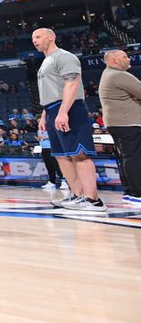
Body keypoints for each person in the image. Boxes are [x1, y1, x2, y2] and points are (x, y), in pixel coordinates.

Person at [32, 28, 106, 211]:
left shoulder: (64, 57)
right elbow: (49, 90)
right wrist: (45, 114)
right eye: (33, 38)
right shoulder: (45, 62)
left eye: (38, 36)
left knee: (79, 154)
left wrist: (63, 111)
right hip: (51, 109)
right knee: (62, 156)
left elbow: (72, 83)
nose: (34, 40)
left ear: (51, 37)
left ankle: (93, 200)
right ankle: (78, 195)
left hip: (69, 107)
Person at [99, 50, 141, 206]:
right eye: (125, 56)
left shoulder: (108, 74)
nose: (128, 59)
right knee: (134, 157)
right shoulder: (119, 75)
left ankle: (130, 192)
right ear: (114, 60)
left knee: (128, 157)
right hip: (128, 123)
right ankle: (138, 193)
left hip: (118, 123)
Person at [37, 123, 63, 190]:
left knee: (56, 166)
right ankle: (52, 182)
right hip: (43, 149)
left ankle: (64, 182)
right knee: (49, 166)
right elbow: (40, 138)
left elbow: (55, 137)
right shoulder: (39, 130)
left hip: (51, 148)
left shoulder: (51, 129)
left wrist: (45, 137)